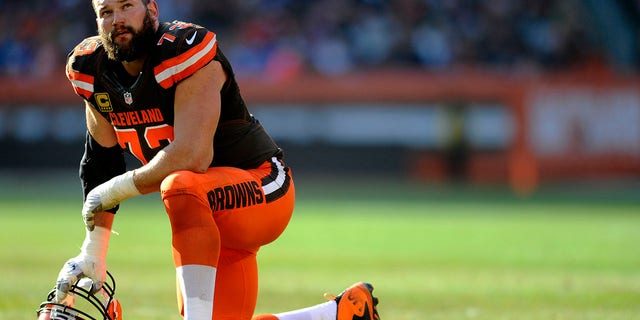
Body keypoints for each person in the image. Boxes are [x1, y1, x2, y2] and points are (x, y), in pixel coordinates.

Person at [51, 0, 380, 319]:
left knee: (180, 186)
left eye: (126, 6)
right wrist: (93, 250)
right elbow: (101, 161)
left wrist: (112, 192)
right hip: (206, 216)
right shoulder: (90, 67)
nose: (117, 19)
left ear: (151, 10)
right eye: (105, 12)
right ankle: (339, 314)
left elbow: (193, 155)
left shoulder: (184, 50)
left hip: (261, 184)